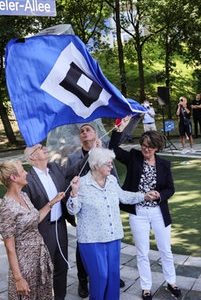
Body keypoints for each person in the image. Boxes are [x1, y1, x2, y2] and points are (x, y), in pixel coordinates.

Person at [66, 147, 156, 300]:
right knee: (100, 276)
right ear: (96, 166)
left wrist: (144, 196)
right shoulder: (81, 184)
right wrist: (73, 194)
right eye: (108, 164)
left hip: (113, 236)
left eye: (111, 163)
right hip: (91, 240)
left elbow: (123, 196)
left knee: (113, 276)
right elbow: (72, 210)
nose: (111, 167)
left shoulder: (112, 180)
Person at [109, 124, 181, 300]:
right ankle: (146, 287)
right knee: (142, 252)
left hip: (159, 212)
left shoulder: (164, 164)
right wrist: (119, 129)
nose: (145, 148)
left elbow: (170, 189)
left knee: (165, 250)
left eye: (149, 146)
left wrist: (159, 195)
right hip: (138, 212)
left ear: (156, 148)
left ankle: (172, 283)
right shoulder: (134, 157)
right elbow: (113, 149)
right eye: (143, 144)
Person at [0, 159, 69, 300]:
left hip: (39, 258)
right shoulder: (6, 208)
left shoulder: (23, 195)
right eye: (22, 171)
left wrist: (52, 202)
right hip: (24, 264)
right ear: (13, 177)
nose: (26, 173)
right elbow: (9, 246)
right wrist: (18, 278)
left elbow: (35, 218)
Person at [65, 123, 124, 298]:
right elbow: (72, 174)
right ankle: (84, 280)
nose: (84, 132)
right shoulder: (74, 157)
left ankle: (108, 278)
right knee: (85, 250)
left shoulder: (104, 151)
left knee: (108, 259)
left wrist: (119, 127)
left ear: (95, 133)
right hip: (85, 207)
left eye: (87, 130)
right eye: (81, 131)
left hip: (104, 207)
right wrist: (91, 155)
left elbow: (111, 171)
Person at [23, 144, 79, 300]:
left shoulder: (55, 168)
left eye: (43, 146)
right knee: (44, 271)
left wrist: (92, 151)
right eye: (40, 148)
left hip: (60, 226)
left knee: (62, 267)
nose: (45, 148)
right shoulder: (27, 180)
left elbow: (76, 169)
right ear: (32, 157)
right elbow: (27, 215)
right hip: (43, 230)